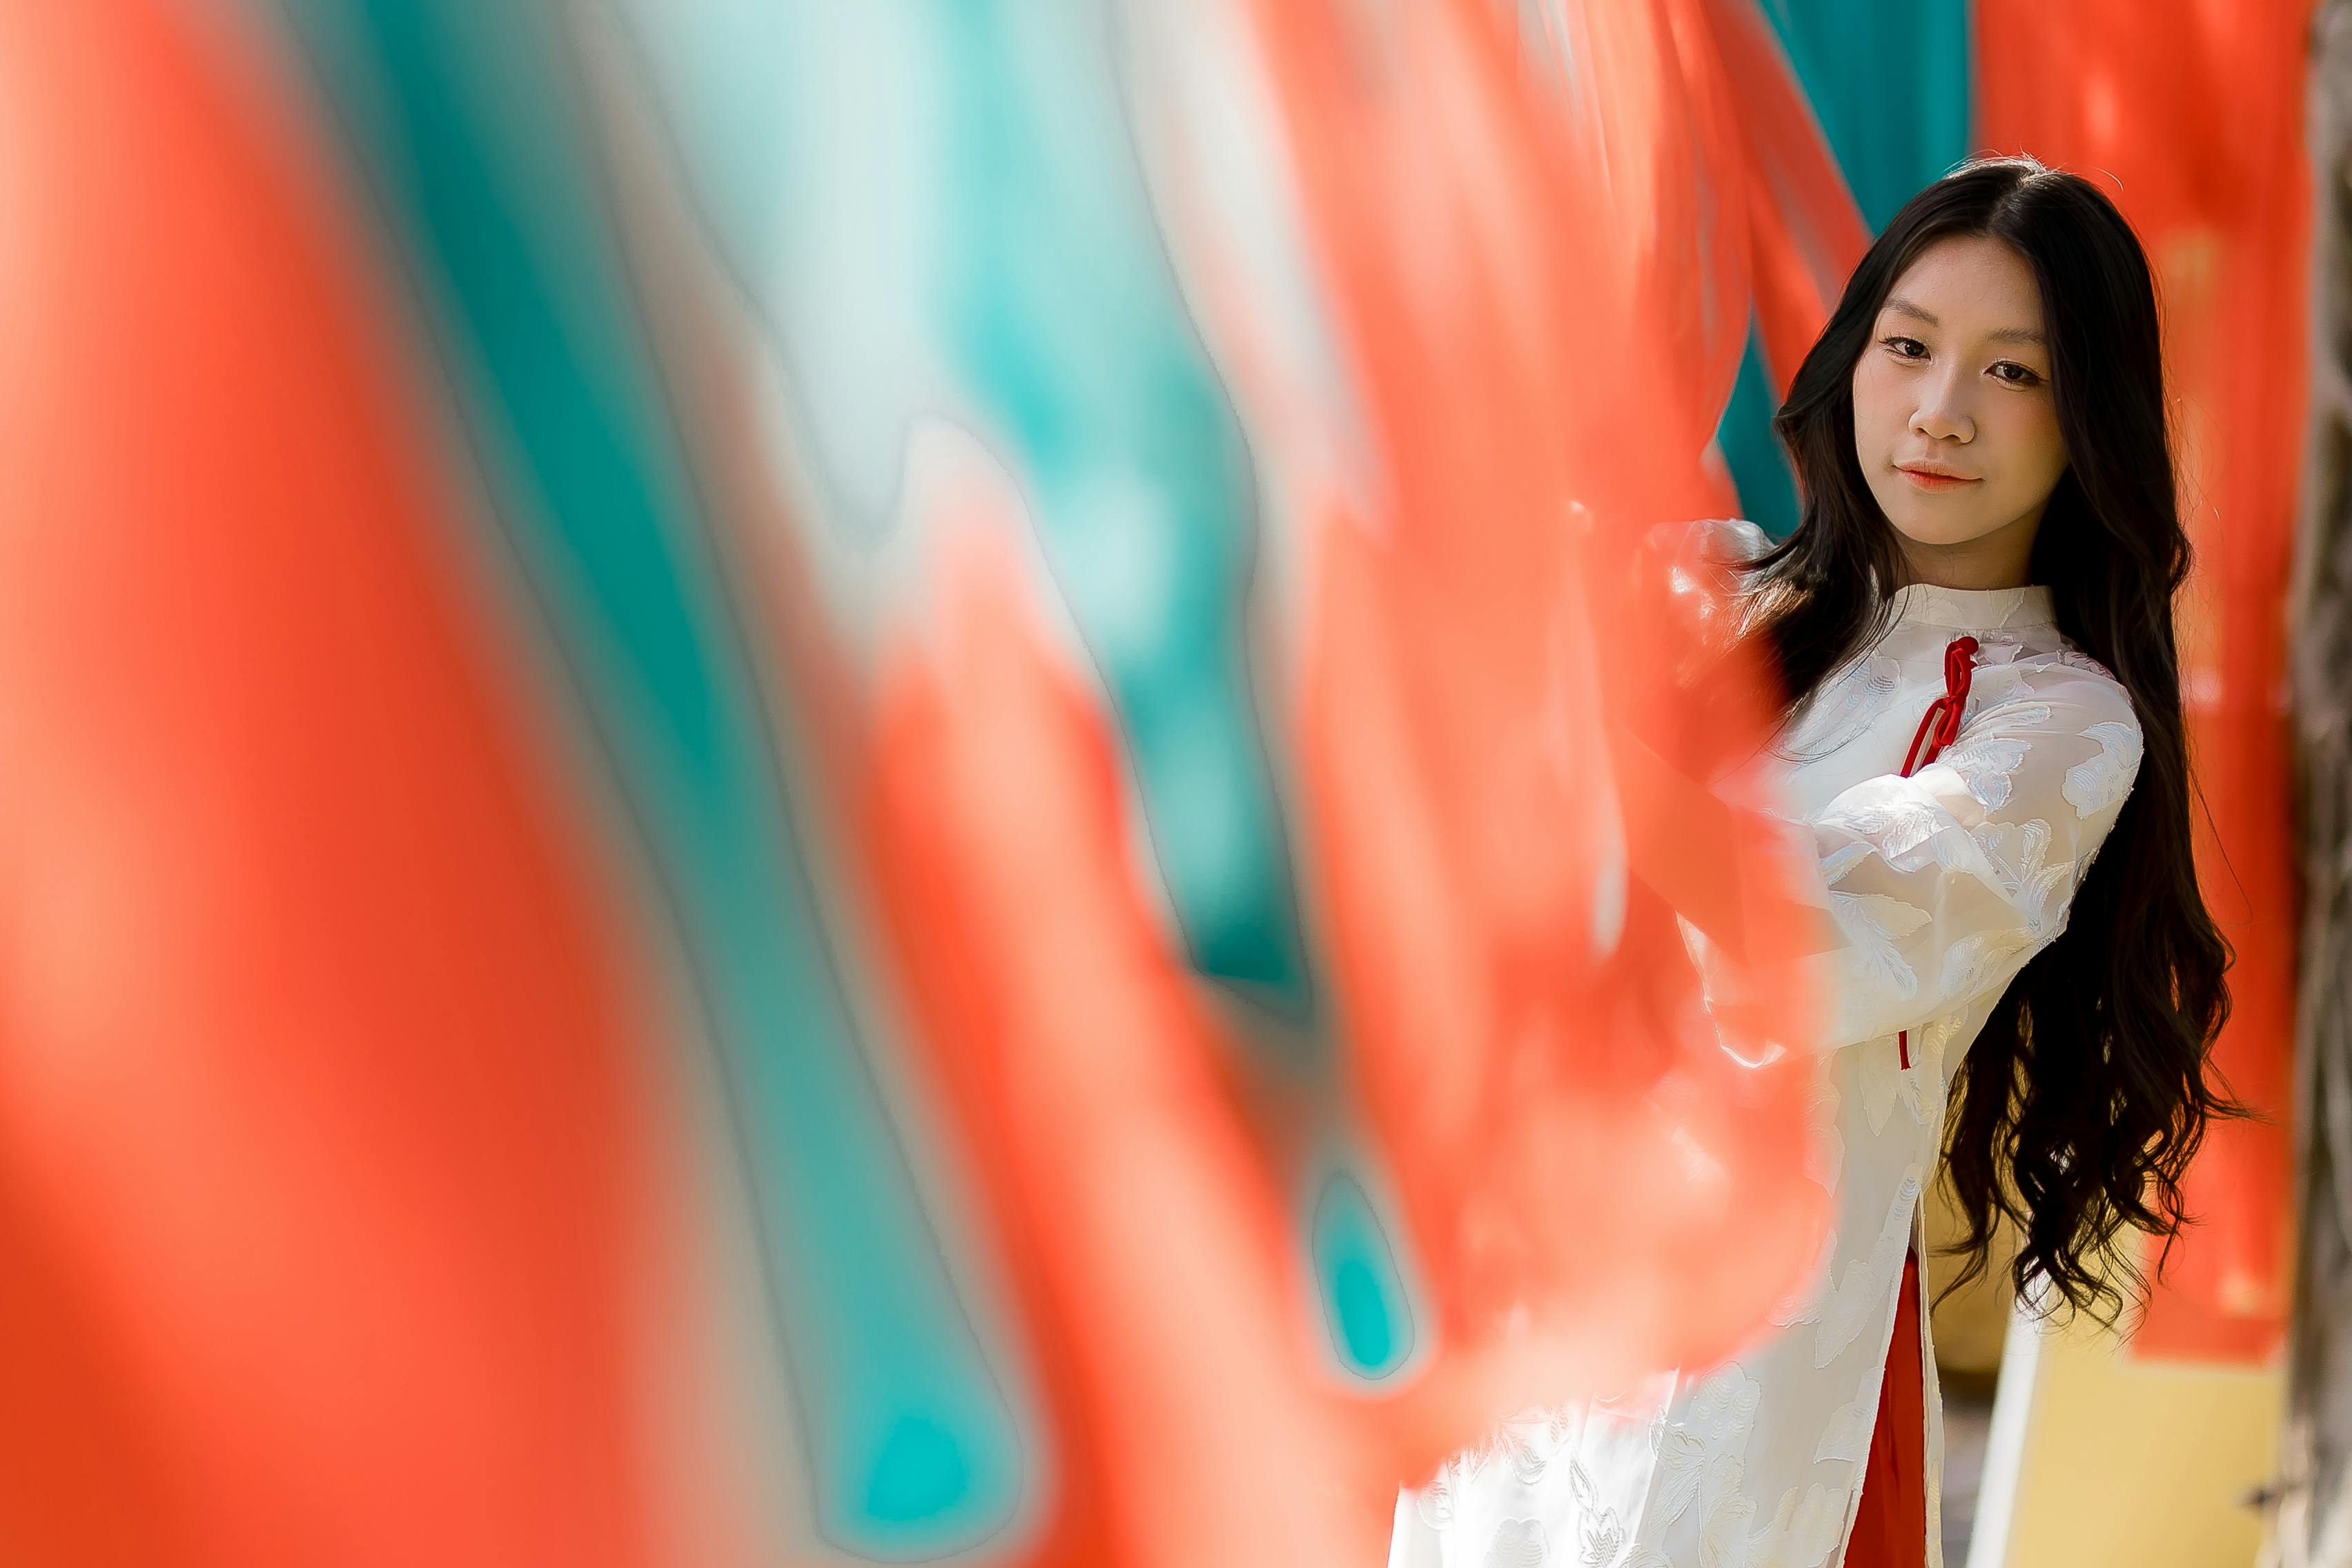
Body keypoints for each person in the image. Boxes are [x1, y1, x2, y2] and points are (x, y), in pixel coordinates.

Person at [1389, 155, 2245, 1568]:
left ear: (2090, 412)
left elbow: (1798, 933)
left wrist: (1583, 726)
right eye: (1907, 345)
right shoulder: (1700, 586)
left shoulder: (2058, 722)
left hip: (1747, 1372)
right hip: (1518, 1288)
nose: (1942, 410)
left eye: (2014, 373)